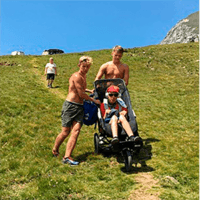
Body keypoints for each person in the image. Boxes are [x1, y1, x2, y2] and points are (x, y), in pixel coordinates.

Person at [52, 56, 101, 165]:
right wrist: (94, 100)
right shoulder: (76, 76)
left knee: (76, 130)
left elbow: (82, 90)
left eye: (87, 67)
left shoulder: (83, 77)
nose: (85, 69)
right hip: (70, 106)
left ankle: (67, 157)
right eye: (83, 66)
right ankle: (55, 149)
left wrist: (89, 90)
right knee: (65, 132)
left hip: (80, 107)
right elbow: (81, 94)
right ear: (79, 65)